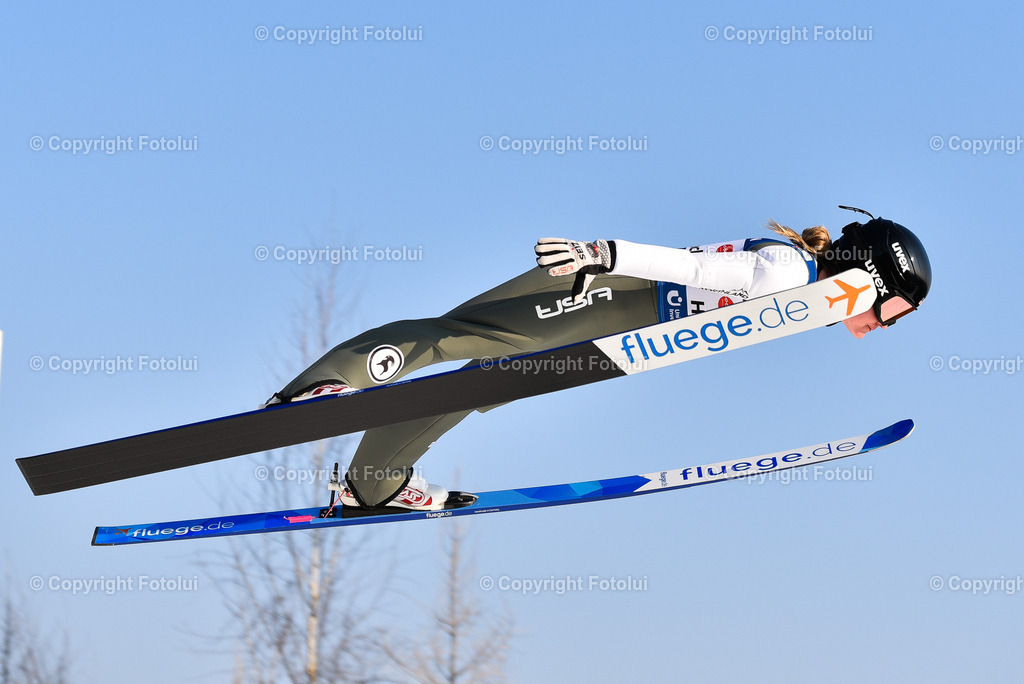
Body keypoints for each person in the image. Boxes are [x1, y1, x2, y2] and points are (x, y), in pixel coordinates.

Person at [265, 206, 931, 511]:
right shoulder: (788, 272)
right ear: (868, 273)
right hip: (604, 294)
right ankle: (328, 385)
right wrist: (602, 256)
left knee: (467, 391)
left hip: (617, 335)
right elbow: (690, 266)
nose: (878, 324)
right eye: (891, 309)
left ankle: (371, 484)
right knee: (462, 337)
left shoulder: (801, 291)